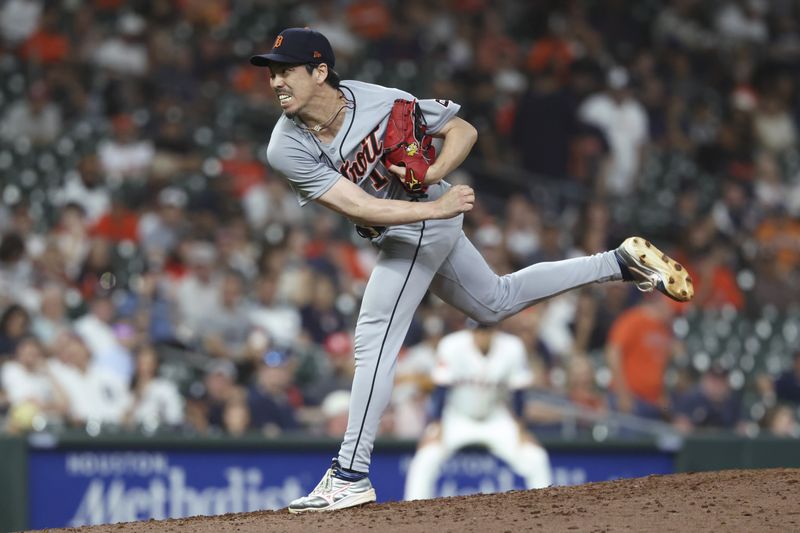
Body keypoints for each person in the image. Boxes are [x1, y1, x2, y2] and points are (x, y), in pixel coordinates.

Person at [249, 27, 693, 513]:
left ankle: (350, 473)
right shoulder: (285, 146)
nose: (275, 82)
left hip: (424, 217)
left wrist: (433, 173)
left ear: (319, 71)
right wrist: (436, 209)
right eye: (272, 72)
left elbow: (463, 130)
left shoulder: (382, 100)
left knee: (374, 335)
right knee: (494, 302)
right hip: (412, 221)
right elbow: (361, 206)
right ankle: (618, 263)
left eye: (285, 70)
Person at [403, 323, 552, 500]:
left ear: (495, 330)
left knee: (536, 457)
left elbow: (518, 393)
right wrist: (436, 425)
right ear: (470, 329)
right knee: (425, 458)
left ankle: (546, 514)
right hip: (457, 417)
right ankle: (412, 518)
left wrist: (521, 429)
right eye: (478, 330)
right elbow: (440, 390)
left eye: (486, 329)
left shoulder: (512, 347)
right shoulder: (452, 345)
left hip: (495, 417)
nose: (482, 334)